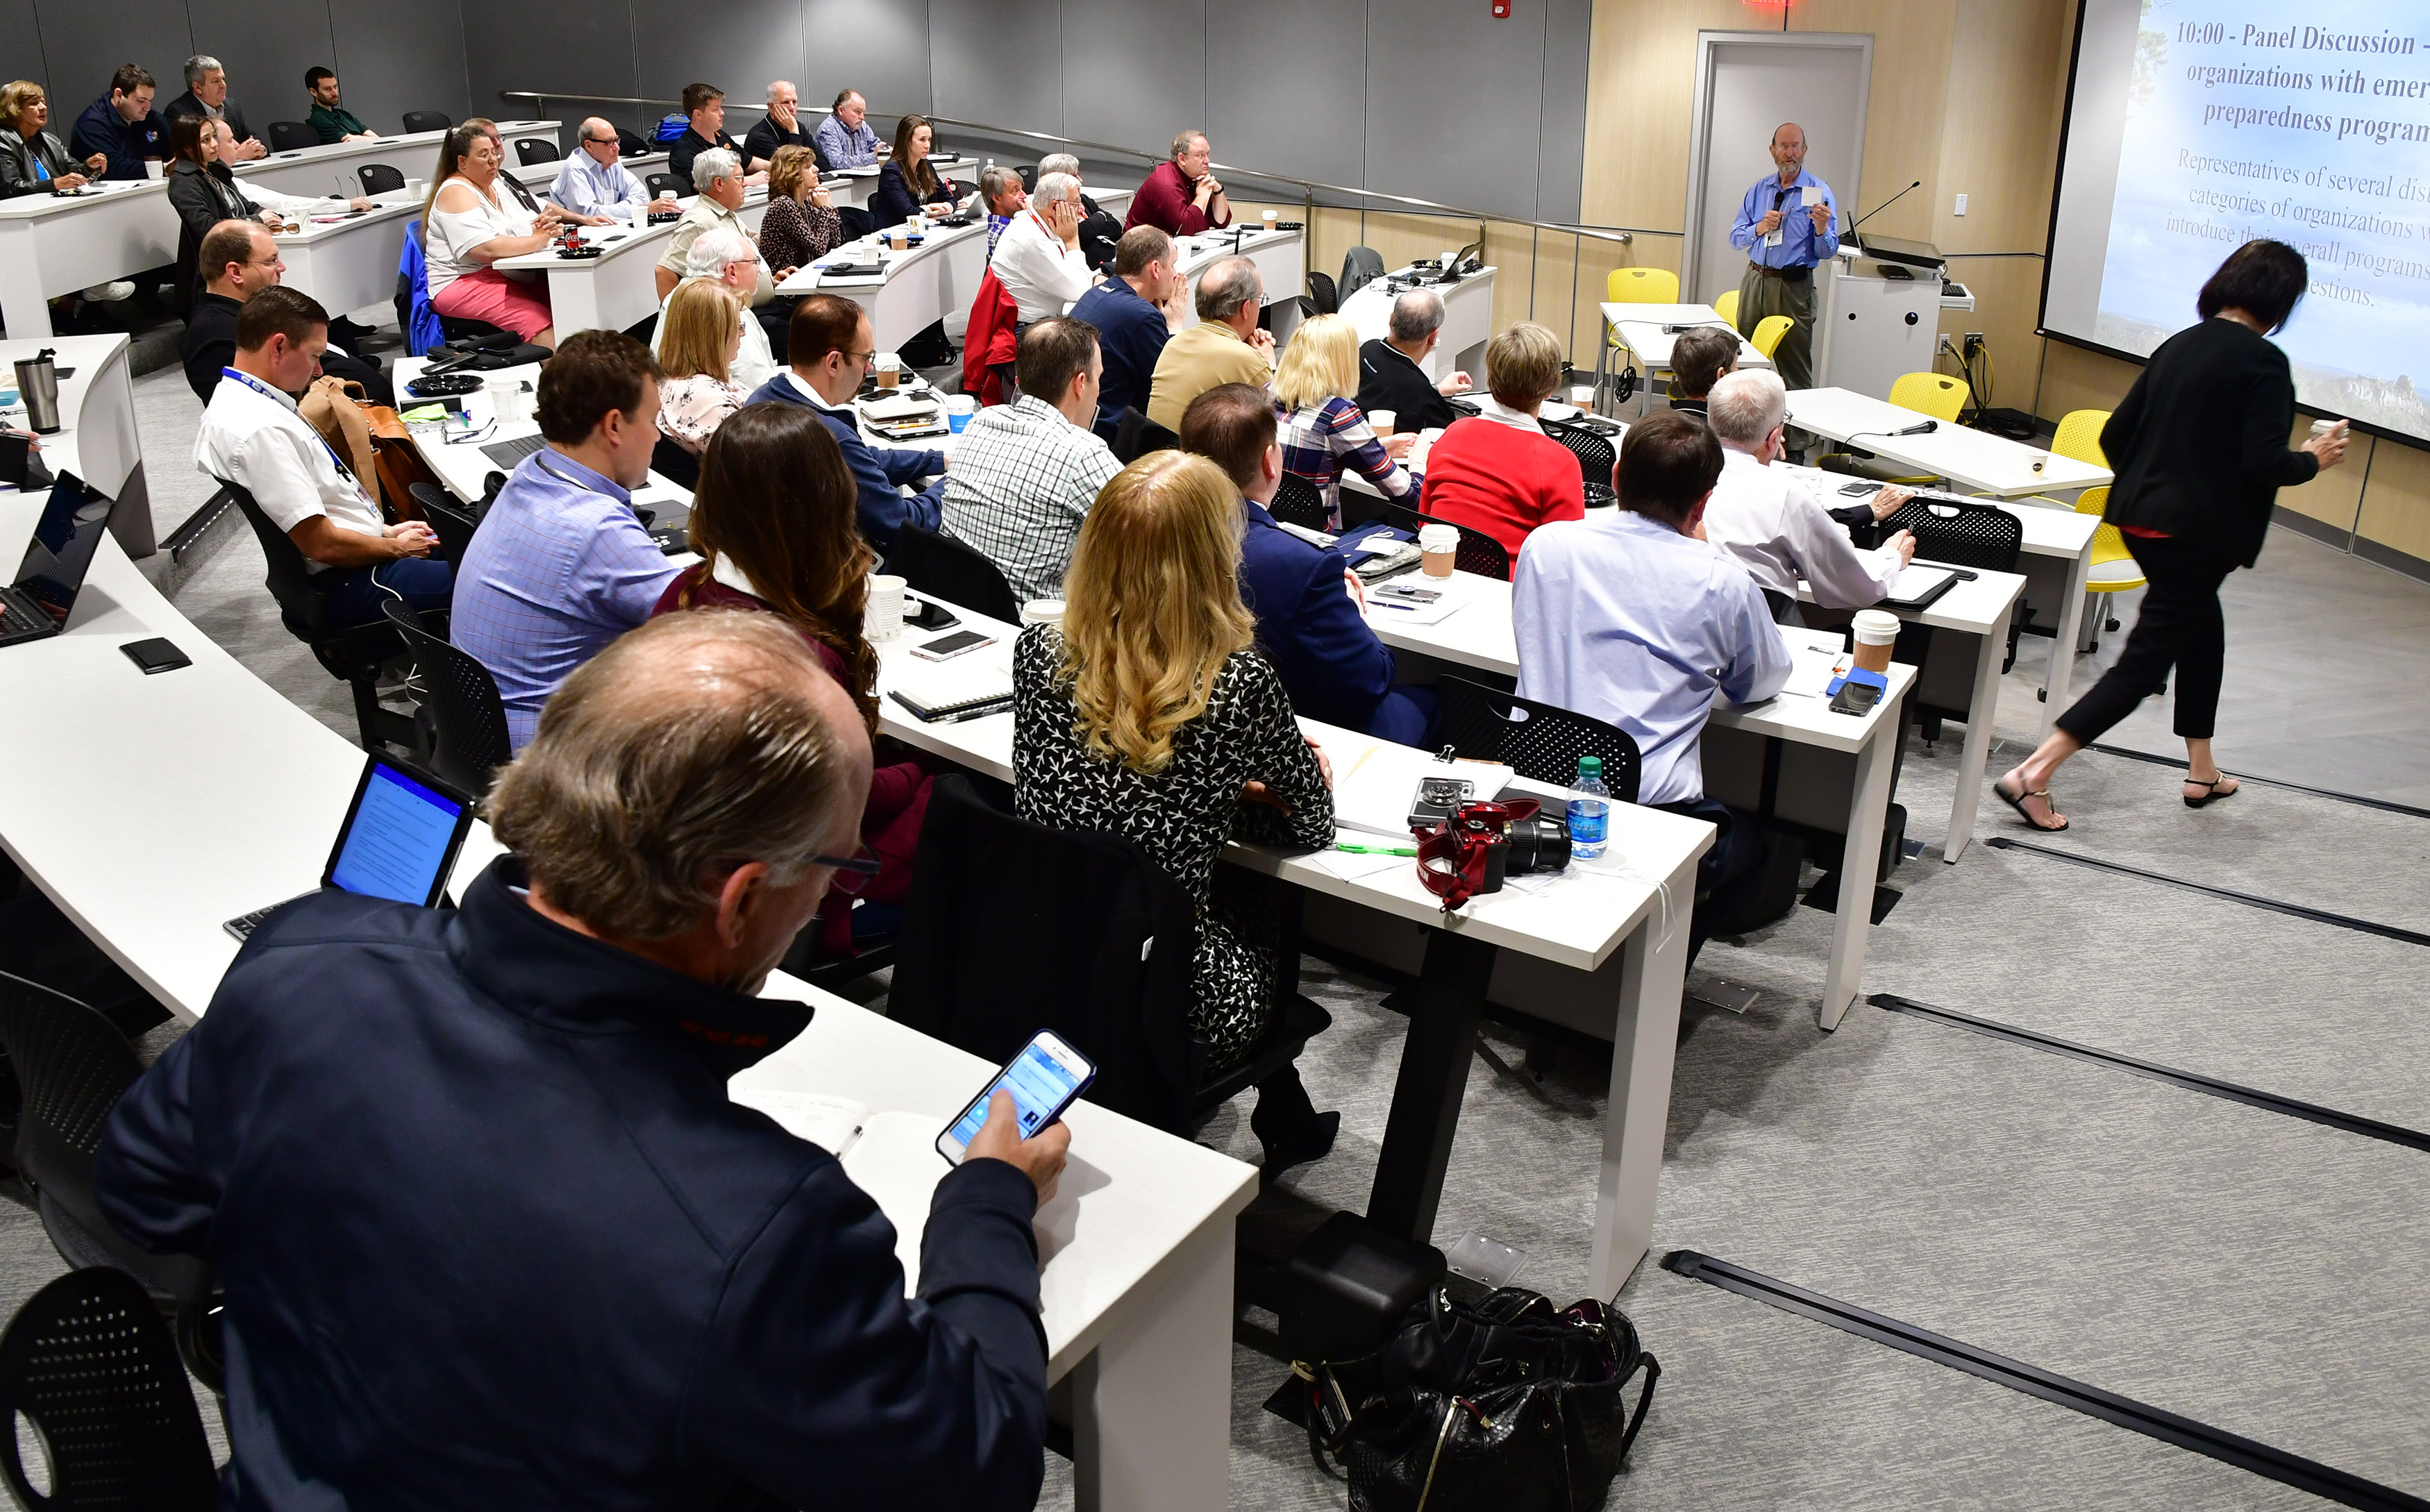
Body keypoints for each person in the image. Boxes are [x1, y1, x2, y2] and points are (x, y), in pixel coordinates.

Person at [93, 609, 1065, 1512]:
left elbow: (139, 1190)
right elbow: (978, 1466)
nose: (829, 897)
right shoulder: (760, 1233)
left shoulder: (303, 957)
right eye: (835, 868)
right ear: (739, 903)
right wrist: (985, 1196)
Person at [1012, 448, 1338, 1168]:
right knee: (1257, 895)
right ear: (1213, 558)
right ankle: (1276, 1106)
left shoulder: (1038, 653)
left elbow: (1094, 798)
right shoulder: (1237, 683)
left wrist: (1214, 799)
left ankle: (1282, 1110)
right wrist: (1238, 800)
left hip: (1039, 961)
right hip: (1168, 992)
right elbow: (1311, 824)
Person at [1994, 239, 2351, 832]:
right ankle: (2034, 773)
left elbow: (2116, 438)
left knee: (2200, 628)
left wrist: (2157, 483)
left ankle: (2201, 770)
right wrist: (2315, 458)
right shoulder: (2263, 363)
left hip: (2139, 521)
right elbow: (2267, 464)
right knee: (2142, 665)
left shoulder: (2178, 345)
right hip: (2196, 537)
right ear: (2280, 304)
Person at [652, 403, 935, 952]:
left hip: (697, 864)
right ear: (826, 503)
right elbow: (837, 805)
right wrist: (917, 772)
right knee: (967, 805)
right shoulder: (799, 659)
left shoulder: (684, 591)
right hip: (794, 885)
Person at [1513, 412, 1791, 965]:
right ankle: (1659, 969)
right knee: (1755, 848)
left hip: (1536, 791)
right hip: (1651, 815)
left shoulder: (1547, 545)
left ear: (1615, 477)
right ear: (1703, 502)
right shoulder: (1721, 579)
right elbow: (1761, 681)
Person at [453, 330, 679, 748]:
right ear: (614, 426)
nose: (658, 435)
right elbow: (706, 622)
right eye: (652, 419)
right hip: (552, 762)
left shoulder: (532, 472)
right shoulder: (596, 529)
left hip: (486, 732)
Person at [1182, 383, 1435, 746]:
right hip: (1299, 735)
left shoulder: (1155, 536)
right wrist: (1348, 608)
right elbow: (1370, 683)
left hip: (1198, 729)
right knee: (1432, 702)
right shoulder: (1302, 566)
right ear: (1270, 461)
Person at [195, 285, 447, 628]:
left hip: (360, 557)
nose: (318, 371)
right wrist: (397, 549)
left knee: (474, 549)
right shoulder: (261, 430)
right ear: (279, 346)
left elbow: (326, 508)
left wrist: (386, 533)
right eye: (315, 356)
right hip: (350, 581)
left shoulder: (241, 401)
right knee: (498, 582)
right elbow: (321, 544)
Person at [746, 295, 944, 555]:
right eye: (866, 357)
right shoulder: (830, 437)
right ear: (834, 363)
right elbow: (902, 524)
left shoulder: (761, 398)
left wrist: (938, 460)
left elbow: (862, 462)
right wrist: (954, 484)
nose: (869, 368)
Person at [939, 318, 1120, 600]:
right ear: (1080, 384)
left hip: (960, 609)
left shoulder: (981, 422)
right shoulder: (1083, 453)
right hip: (1037, 631)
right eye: (1098, 378)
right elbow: (1152, 537)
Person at [1700, 369, 1911, 612]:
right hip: (1758, 629)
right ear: (1774, 437)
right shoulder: (1785, 494)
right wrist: (1892, 557)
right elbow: (1854, 588)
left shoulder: (1673, 474)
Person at [1416, 322, 1584, 562]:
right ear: (1550, 388)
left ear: (1491, 377)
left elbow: (1426, 523)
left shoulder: (1451, 435)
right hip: (1512, 592)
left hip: (1441, 573)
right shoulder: (1559, 462)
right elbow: (1563, 558)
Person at [183, 219, 389, 405]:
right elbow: (256, 410)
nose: (282, 267)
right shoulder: (214, 337)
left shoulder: (256, 311)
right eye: (271, 261)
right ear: (236, 272)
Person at [422, 119, 562, 347]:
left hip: (503, 273)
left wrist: (541, 226)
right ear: (462, 162)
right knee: (536, 318)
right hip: (461, 283)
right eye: (483, 155)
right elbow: (485, 249)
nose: (493, 160)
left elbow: (523, 222)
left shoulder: (496, 184)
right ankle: (565, 379)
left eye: (493, 153)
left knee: (565, 297)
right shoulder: (456, 190)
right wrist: (538, 239)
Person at [1275, 313, 1414, 529]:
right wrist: (1419, 465)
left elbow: (1316, 450)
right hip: (1316, 542)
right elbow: (1403, 492)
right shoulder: (1338, 414)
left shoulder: (1265, 397)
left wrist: (1380, 447)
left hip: (1270, 530)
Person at [1729, 123, 1836, 393]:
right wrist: (1760, 227)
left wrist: (1822, 229)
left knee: (1795, 373)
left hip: (1793, 289)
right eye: (1784, 146)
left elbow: (1827, 251)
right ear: (1773, 151)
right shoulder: (1759, 190)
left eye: (1796, 146)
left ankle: (1798, 436)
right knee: (1744, 365)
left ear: (1805, 150)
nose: (1790, 153)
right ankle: (1746, 432)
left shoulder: (1819, 191)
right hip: (1756, 282)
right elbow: (1736, 237)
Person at [1069, 226, 1181, 434]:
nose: (1176, 275)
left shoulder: (1094, 294)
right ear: (1156, 269)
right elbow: (1170, 386)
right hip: (1113, 437)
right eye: (1173, 266)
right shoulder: (1143, 317)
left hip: (1081, 421)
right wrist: (1173, 328)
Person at [1145, 255, 1273, 430]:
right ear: (1245, 309)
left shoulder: (1174, 343)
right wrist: (1269, 362)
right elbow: (1279, 420)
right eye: (1260, 297)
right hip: (1195, 457)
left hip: (1157, 454)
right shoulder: (1247, 359)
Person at [652, 227, 777, 395]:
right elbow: (760, 391)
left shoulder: (679, 296)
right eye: (754, 262)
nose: (759, 270)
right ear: (732, 271)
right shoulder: (725, 310)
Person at [657, 148, 782, 306]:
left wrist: (769, 281)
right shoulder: (697, 221)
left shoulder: (725, 213)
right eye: (739, 178)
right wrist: (684, 319)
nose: (744, 183)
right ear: (719, 183)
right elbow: (664, 273)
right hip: (735, 318)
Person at [650, 280, 750, 458]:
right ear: (715, 337)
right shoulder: (711, 403)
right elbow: (756, 465)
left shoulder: (666, 380)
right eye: (738, 326)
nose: (743, 333)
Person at [1355, 287, 1471, 437]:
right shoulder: (1424, 402)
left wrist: (1435, 390)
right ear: (1433, 336)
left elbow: (1389, 392)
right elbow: (1444, 444)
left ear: (1391, 320)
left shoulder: (1367, 350)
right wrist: (1429, 394)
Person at [991, 171, 1094, 325]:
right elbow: (1081, 291)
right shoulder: (1030, 239)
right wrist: (1072, 240)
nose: (1081, 209)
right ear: (1054, 207)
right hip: (1031, 331)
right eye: (1076, 203)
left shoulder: (1039, 221)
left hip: (1044, 320)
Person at [550, 116, 678, 224]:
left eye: (616, 140)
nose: (617, 147)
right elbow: (589, 214)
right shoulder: (575, 169)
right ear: (589, 146)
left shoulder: (612, 162)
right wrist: (641, 209)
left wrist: (612, 210)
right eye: (609, 142)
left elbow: (641, 196)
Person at [0, 79, 101, 196]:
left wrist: (88, 167)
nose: (43, 107)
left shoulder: (50, 140)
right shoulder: (4, 140)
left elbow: (73, 172)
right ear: (14, 109)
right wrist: (54, 184)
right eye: (34, 103)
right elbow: (11, 188)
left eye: (43, 102)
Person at [755, 144, 844, 274]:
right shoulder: (783, 205)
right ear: (792, 174)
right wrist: (825, 210)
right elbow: (818, 248)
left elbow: (835, 243)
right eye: (808, 167)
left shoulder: (805, 205)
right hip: (786, 283)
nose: (816, 169)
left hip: (803, 277)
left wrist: (829, 209)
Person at [69, 65, 167, 180]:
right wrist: (162, 169)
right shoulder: (92, 123)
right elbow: (113, 167)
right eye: (141, 101)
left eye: (150, 101)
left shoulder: (151, 118)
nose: (147, 107)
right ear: (118, 95)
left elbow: (173, 149)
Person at [1125, 129, 1229, 237]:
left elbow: (1221, 222)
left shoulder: (1196, 177)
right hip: (1142, 248)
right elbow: (1185, 228)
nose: (1207, 161)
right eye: (1200, 156)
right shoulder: (1166, 184)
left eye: (1208, 154)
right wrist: (1202, 196)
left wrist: (1218, 191)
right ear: (1182, 159)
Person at [162, 56, 262, 160]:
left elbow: (251, 137)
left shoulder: (231, 106)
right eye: (216, 81)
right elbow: (190, 157)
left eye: (223, 79)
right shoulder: (180, 112)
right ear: (197, 87)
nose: (223, 85)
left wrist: (258, 148)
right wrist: (237, 155)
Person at [870, 113, 960, 230]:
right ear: (907, 141)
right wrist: (929, 210)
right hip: (894, 235)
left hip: (921, 230)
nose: (928, 145)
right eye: (922, 140)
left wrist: (947, 208)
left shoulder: (926, 166)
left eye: (929, 140)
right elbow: (908, 212)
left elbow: (950, 199)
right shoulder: (891, 171)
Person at [1037, 151, 1122, 271]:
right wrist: (1100, 218)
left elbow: (1115, 228)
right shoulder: (1051, 210)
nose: (1080, 180)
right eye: (1074, 176)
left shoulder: (1084, 199)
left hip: (1111, 262)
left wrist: (1094, 222)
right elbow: (1078, 234)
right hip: (1088, 272)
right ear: (1056, 180)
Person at [666, 82, 762, 185]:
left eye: (721, 108)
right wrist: (748, 181)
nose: (722, 113)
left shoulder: (721, 136)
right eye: (716, 110)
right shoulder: (683, 150)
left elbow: (749, 162)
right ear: (698, 114)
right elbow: (704, 186)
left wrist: (777, 167)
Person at [745, 79, 826, 169]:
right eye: (786, 102)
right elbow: (793, 169)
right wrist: (793, 132)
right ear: (771, 107)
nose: (792, 107)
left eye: (794, 102)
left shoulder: (798, 127)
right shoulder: (759, 137)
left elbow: (824, 163)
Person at [1666, 326, 1739, 421]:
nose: (1737, 370)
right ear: (1721, 375)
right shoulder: (1729, 431)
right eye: (1735, 364)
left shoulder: (1661, 424)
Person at [303, 66, 376, 143]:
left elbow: (377, 139)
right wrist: (364, 138)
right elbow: (350, 143)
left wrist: (360, 138)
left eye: (335, 87)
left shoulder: (344, 114)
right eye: (328, 89)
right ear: (314, 92)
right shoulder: (318, 120)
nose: (335, 93)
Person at [814, 88, 883, 169]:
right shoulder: (828, 129)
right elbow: (837, 163)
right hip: (841, 181)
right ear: (841, 110)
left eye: (863, 112)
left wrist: (886, 153)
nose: (862, 117)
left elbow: (875, 147)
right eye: (858, 111)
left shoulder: (863, 126)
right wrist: (873, 157)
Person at [978, 165, 1026, 258]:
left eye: (1022, 189)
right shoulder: (1001, 233)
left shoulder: (1015, 224)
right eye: (1015, 191)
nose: (1024, 195)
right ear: (997, 198)